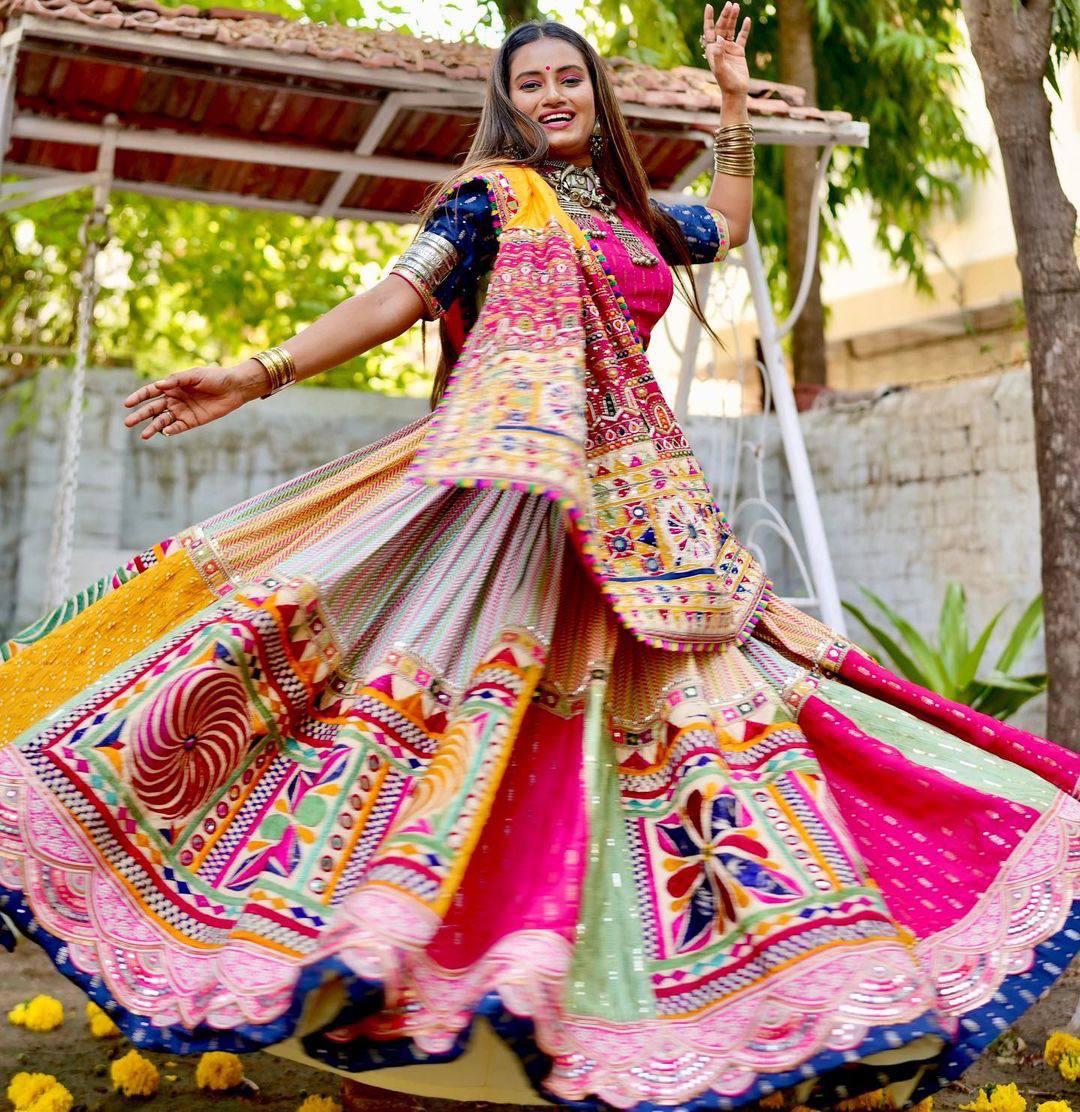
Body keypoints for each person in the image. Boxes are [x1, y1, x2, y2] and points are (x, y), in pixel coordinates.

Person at [1, 6, 1078, 1110]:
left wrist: (733, 101)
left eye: (570, 78)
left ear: (596, 93)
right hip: (516, 507)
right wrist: (258, 369)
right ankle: (441, 987)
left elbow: (737, 223)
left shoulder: (636, 213)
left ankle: (685, 991)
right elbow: (398, 297)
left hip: (650, 524)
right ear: (508, 104)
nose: (553, 96)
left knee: (686, 735)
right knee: (481, 728)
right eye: (532, 85)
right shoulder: (488, 201)